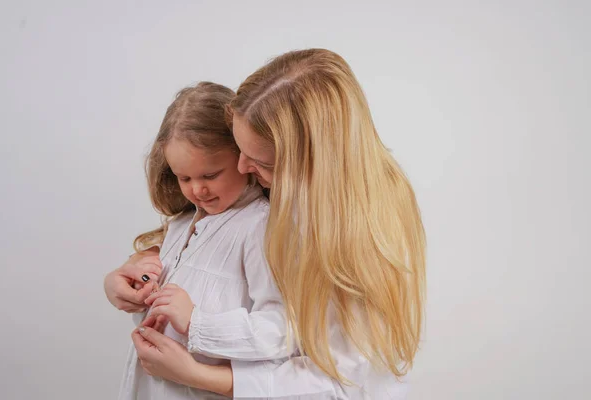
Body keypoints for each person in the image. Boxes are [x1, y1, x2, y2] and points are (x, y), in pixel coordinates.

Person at [106, 48, 426, 399]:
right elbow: (201, 247)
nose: (243, 169)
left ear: (308, 162)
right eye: (239, 150)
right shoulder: (265, 201)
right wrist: (139, 265)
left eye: (259, 161)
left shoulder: (339, 233)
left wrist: (198, 371)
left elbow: (332, 375)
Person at [111, 82, 290, 400]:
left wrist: (197, 322)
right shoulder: (182, 224)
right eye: (184, 178)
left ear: (243, 157)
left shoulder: (261, 228)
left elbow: (282, 329)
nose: (197, 190)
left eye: (210, 175)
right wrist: (131, 287)